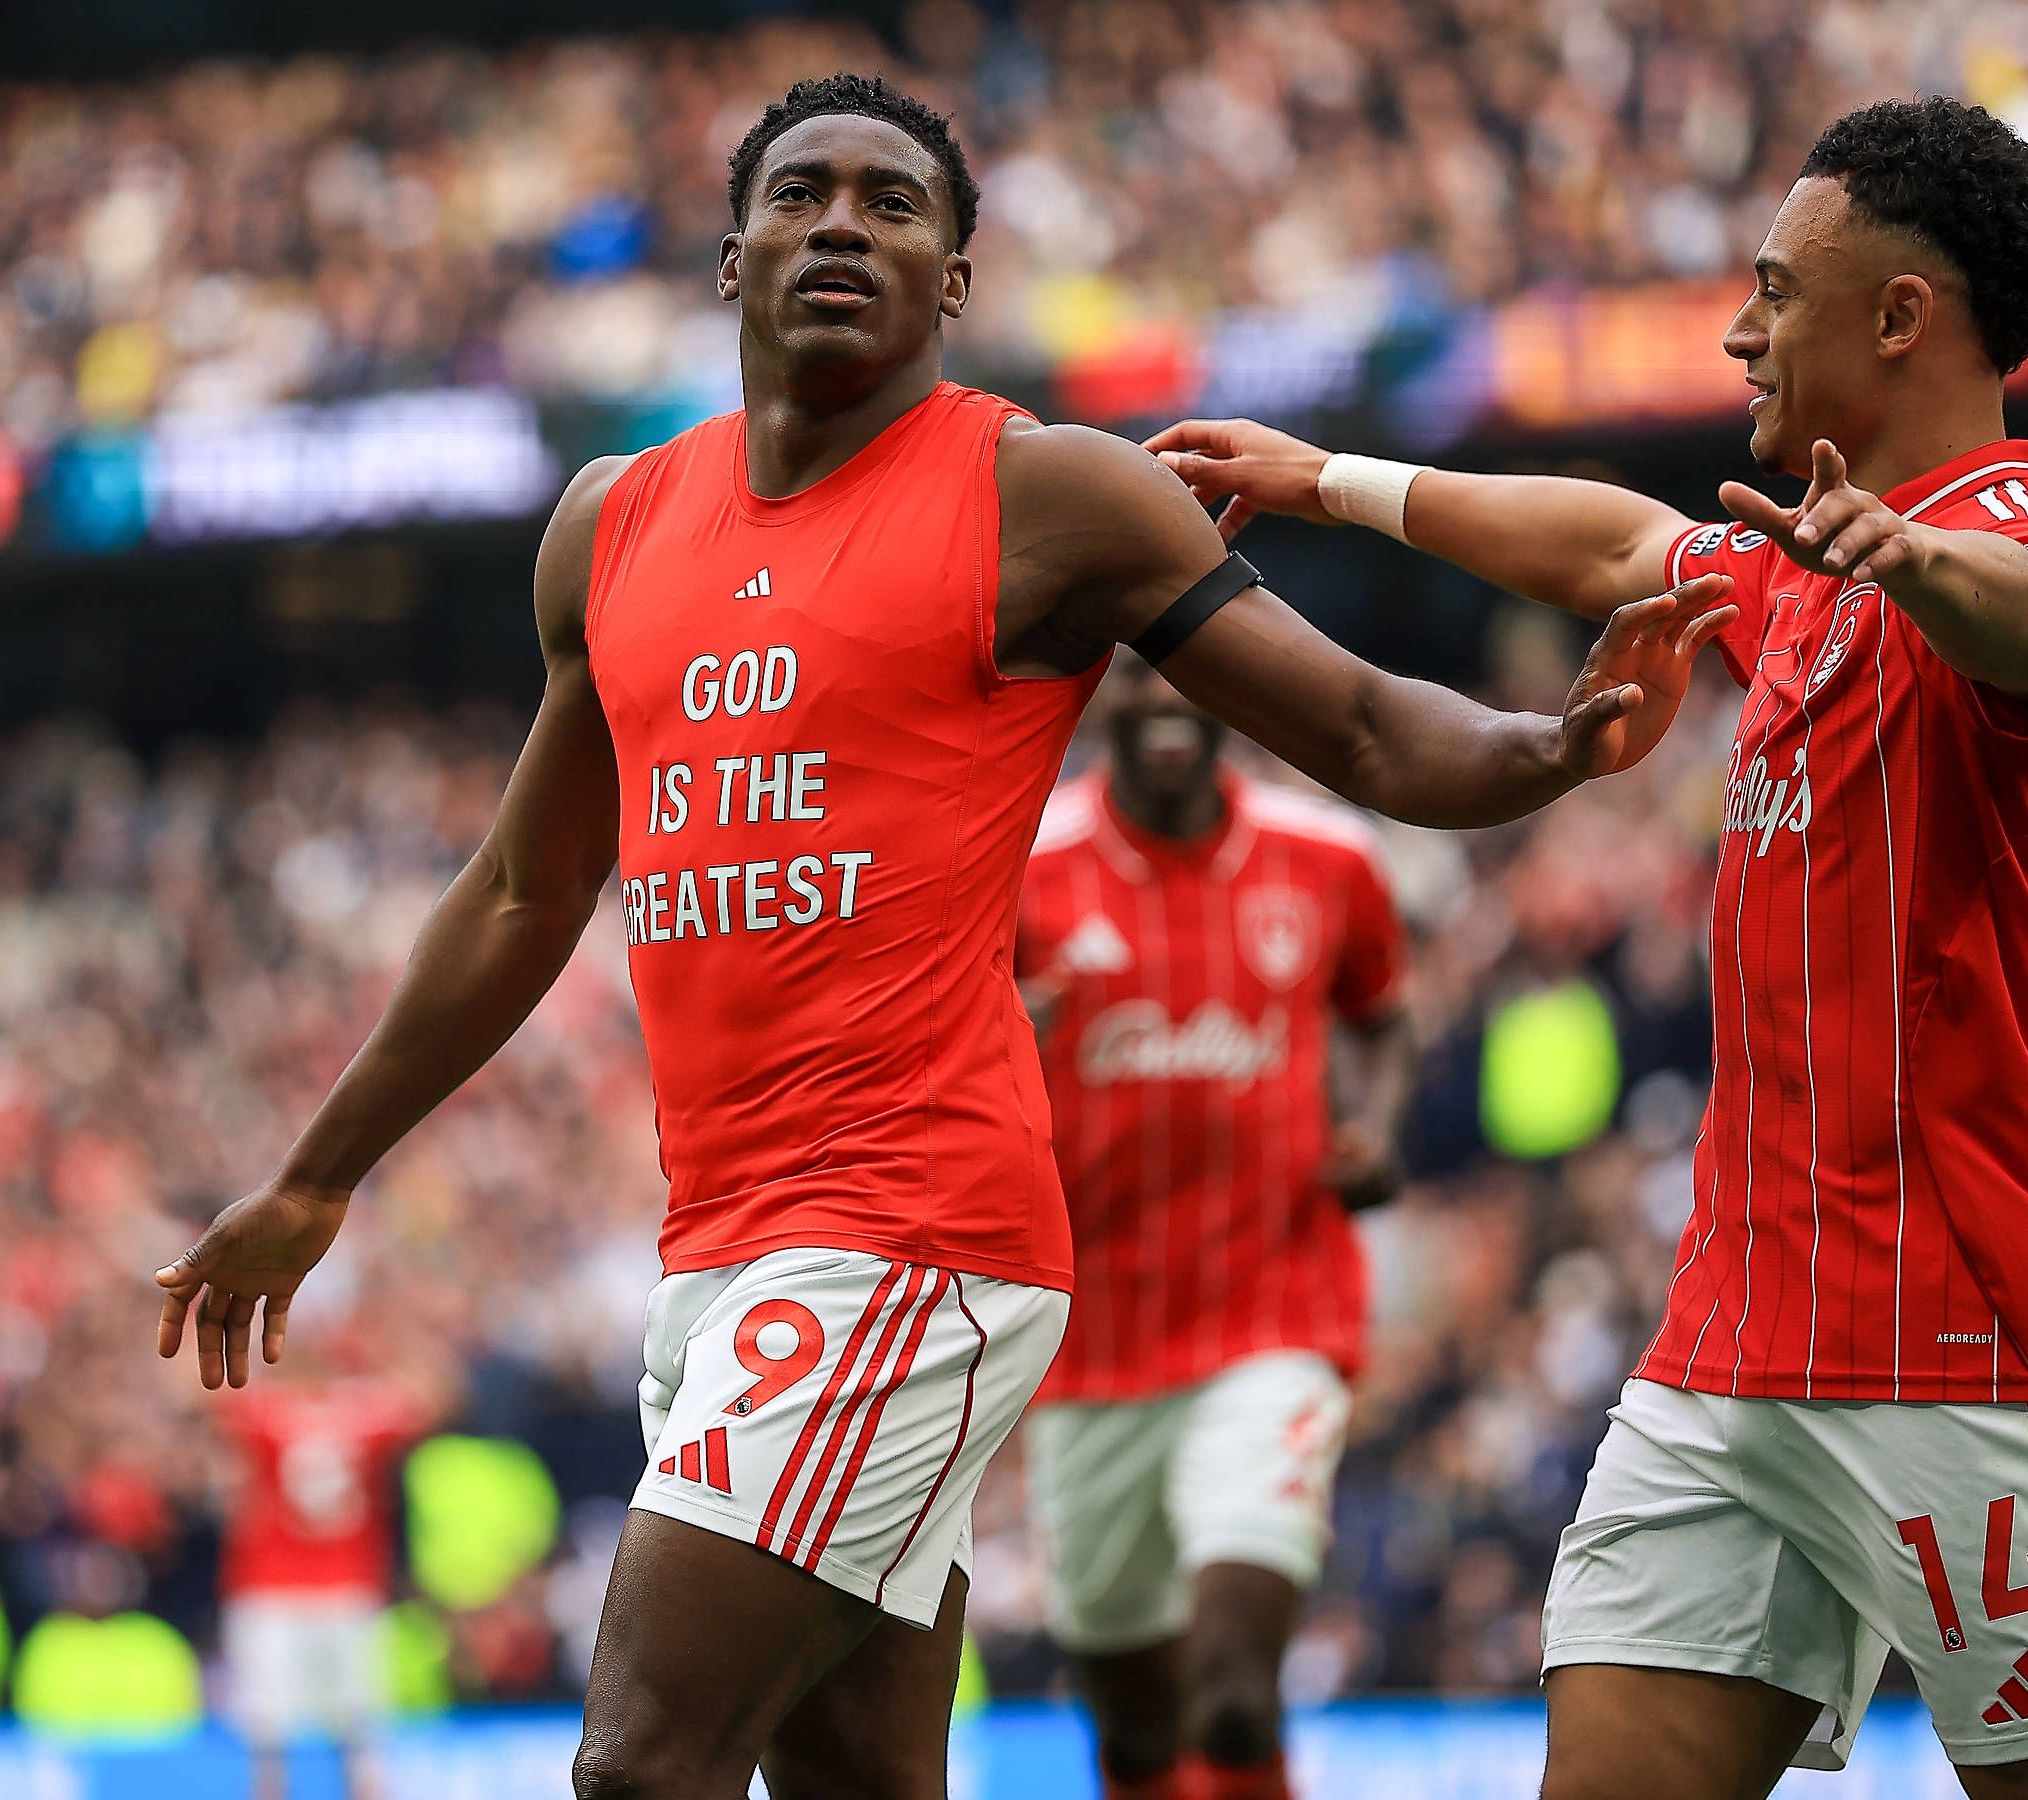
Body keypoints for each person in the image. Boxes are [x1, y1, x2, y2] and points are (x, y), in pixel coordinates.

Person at [146, 71, 1735, 1800]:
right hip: (720, 1251)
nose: (843, 224)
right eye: (803, 195)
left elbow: (1357, 729)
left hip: (908, 1237)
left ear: (956, 283)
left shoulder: (1045, 497)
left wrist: (1555, 751)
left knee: (640, 1765)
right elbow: (526, 892)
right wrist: (315, 1179)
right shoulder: (610, 525)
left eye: (895, 205)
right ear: (730, 253)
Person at [1151, 95, 2028, 1800]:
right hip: (1728, 1355)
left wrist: (1915, 556)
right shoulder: (1790, 563)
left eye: (1777, 290)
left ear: (1900, 319)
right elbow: (1616, 540)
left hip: (1970, 1347)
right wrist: (1324, 480)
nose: (1739, 326)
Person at [1017, 656, 1414, 1800]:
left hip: (1272, 1316)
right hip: (1087, 1350)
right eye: (1140, 677)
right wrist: (999, 1036)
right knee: (1138, 1737)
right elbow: (927, 1052)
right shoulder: (1021, 871)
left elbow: (1382, 1018)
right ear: (1101, 693)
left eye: (1195, 676)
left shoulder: (1331, 857)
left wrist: (1374, 1133)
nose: (1168, 702)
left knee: (1235, 1695)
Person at [215, 1351, 430, 1800]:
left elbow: (204, 1397)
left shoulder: (263, 1412)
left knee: (272, 1730)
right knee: (359, 1724)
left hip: (276, 1585)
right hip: (344, 1583)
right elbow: (429, 1396)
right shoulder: (368, 1414)